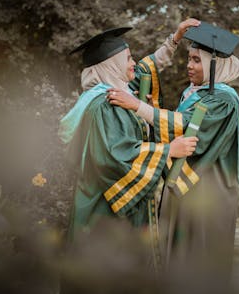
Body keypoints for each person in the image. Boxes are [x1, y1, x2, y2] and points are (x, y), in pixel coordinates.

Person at [107, 21, 239, 280]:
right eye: (189, 58)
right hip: (186, 190)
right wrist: (174, 39)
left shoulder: (224, 100)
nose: (189, 65)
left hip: (209, 195)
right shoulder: (194, 93)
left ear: (214, 65)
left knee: (198, 260)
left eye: (197, 60)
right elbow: (166, 115)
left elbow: (186, 127)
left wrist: (137, 107)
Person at [58, 21, 200, 242]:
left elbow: (148, 67)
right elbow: (115, 156)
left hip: (99, 201)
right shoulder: (108, 104)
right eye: (129, 59)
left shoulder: (115, 94)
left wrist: (176, 38)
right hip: (103, 210)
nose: (135, 64)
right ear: (112, 66)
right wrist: (167, 150)